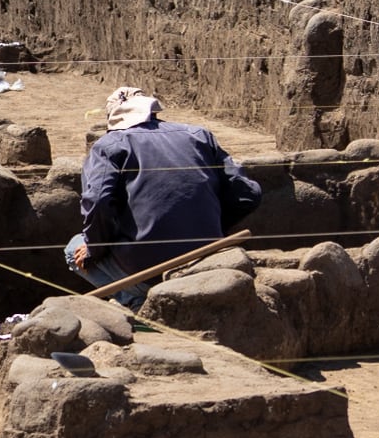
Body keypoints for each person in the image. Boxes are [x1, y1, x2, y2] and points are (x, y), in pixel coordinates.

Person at [63, 87, 262, 303]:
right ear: (153, 111)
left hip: (147, 269)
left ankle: (136, 302)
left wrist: (94, 249)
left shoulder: (109, 145)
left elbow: (98, 201)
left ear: (113, 119)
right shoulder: (199, 135)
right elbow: (248, 194)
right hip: (207, 257)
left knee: (74, 248)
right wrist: (210, 226)